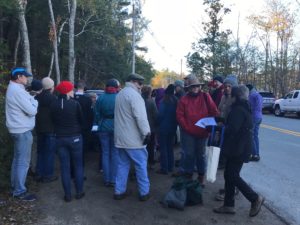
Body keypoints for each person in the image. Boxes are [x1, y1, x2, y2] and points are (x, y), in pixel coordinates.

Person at [213, 85, 264, 217]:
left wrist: (217, 128)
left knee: (232, 175)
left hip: (238, 148)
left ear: (235, 96)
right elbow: (235, 124)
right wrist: (221, 120)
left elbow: (232, 129)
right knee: (229, 174)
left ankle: (255, 198)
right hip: (239, 147)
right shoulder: (243, 107)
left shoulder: (238, 109)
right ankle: (229, 205)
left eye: (231, 95)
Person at [176, 74, 219, 186]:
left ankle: (201, 176)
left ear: (199, 87)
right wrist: (187, 127)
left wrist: (209, 125)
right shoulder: (184, 99)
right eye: (193, 86)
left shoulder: (206, 96)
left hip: (203, 132)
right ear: (189, 88)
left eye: (197, 86)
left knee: (201, 155)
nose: (195, 88)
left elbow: (214, 112)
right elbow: (180, 116)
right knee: (189, 154)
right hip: (188, 133)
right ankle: (188, 174)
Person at [114, 73, 151, 201]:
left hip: (120, 138)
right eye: (140, 83)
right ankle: (144, 192)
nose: (141, 86)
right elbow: (140, 117)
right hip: (133, 140)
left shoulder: (120, 94)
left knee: (122, 165)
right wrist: (146, 133)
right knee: (141, 165)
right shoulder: (135, 96)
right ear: (134, 82)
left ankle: (119, 191)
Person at [6, 67, 38, 201]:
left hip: (17, 129)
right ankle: (19, 191)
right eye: (25, 76)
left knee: (17, 160)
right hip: (22, 131)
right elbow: (32, 111)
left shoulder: (15, 89)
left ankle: (15, 187)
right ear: (19, 77)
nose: (27, 78)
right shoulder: (17, 91)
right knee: (23, 162)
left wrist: (31, 100)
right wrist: (35, 102)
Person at [50, 81, 84, 202]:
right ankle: (79, 192)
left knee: (65, 167)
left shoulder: (53, 104)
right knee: (78, 165)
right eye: (71, 89)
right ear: (67, 91)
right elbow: (81, 120)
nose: (73, 91)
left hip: (59, 138)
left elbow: (52, 120)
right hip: (75, 138)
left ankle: (68, 195)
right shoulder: (75, 104)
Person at [94, 79, 120, 187]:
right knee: (115, 153)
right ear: (116, 87)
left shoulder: (101, 97)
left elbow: (96, 113)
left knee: (105, 153)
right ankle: (114, 179)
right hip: (116, 127)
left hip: (103, 127)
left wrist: (100, 121)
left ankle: (106, 179)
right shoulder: (118, 97)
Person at [35, 77, 57, 183]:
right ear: (51, 87)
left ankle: (38, 174)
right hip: (50, 129)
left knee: (40, 152)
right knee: (49, 153)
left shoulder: (36, 97)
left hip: (39, 128)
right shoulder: (53, 99)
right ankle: (48, 175)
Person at [156, 84, 178, 175]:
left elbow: (160, 115)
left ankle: (164, 168)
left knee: (163, 148)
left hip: (163, 127)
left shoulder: (164, 101)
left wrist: (157, 122)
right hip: (173, 127)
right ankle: (171, 166)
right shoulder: (176, 100)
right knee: (170, 147)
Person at [141, 85, 158, 169]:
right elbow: (156, 115)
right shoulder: (151, 102)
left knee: (141, 146)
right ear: (150, 92)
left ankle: (142, 163)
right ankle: (150, 163)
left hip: (140, 128)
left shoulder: (139, 101)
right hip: (150, 128)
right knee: (150, 146)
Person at [246, 84, 263, 162]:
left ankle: (254, 154)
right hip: (259, 117)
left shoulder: (251, 96)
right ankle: (257, 154)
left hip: (253, 117)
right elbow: (259, 106)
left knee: (251, 136)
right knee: (255, 135)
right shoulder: (258, 95)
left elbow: (249, 107)